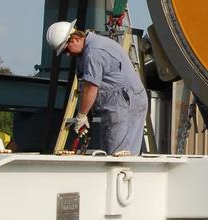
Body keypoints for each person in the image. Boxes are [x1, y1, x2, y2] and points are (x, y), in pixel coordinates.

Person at [45, 20, 148, 156]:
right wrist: (87, 112)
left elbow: (91, 88)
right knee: (110, 155)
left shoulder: (94, 53)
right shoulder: (88, 50)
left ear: (75, 39)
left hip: (123, 104)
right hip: (116, 103)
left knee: (119, 157)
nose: (68, 54)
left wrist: (81, 116)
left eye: (66, 50)